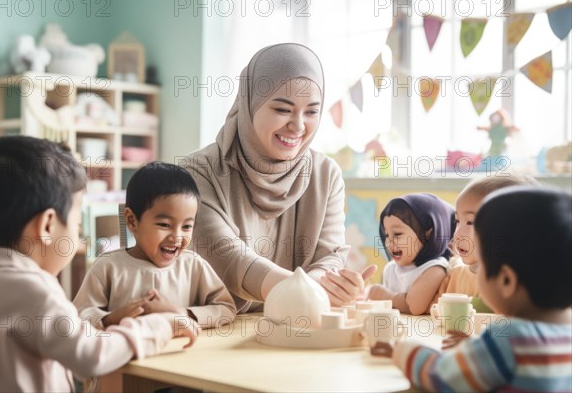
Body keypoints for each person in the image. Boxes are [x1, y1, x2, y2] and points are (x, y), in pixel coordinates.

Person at [0, 137, 199, 392]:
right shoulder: (34, 291)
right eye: (77, 225)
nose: (78, 233)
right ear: (47, 225)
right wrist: (162, 325)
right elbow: (92, 354)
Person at [183, 43, 374, 312]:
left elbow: (327, 258)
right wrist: (311, 291)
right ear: (250, 104)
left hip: (299, 323)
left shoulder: (325, 174)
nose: (298, 126)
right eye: (283, 110)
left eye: (311, 111)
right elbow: (230, 261)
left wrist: (330, 285)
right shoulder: (197, 172)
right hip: (218, 328)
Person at [385, 187, 572, 392]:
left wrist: (401, 350)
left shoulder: (509, 339)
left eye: (481, 263)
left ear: (506, 281)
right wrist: (477, 348)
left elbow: (440, 377)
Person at [74, 162, 236, 329]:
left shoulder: (193, 265)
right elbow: (78, 316)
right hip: (129, 354)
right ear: (132, 221)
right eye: (165, 225)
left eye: (187, 226)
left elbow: (226, 309)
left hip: (182, 352)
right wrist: (111, 318)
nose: (177, 237)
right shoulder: (107, 266)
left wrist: (180, 312)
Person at [431, 175, 539, 313]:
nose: (457, 234)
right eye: (457, 221)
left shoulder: (519, 280)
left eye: (471, 222)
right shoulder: (456, 270)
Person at [366, 193, 455, 315]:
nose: (389, 241)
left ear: (428, 234)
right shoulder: (391, 269)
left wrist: (380, 294)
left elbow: (413, 306)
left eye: (397, 234)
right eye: (387, 235)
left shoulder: (435, 268)